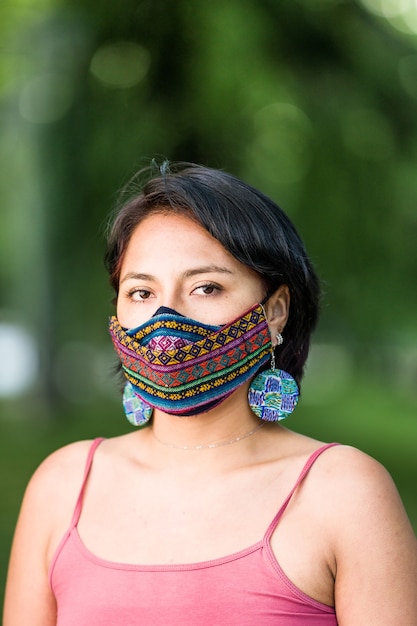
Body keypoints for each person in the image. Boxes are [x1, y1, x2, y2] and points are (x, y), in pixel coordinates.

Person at [3, 162, 417, 625]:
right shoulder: (61, 486)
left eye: (206, 287)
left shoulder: (346, 494)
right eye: (141, 292)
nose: (166, 321)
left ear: (275, 310)